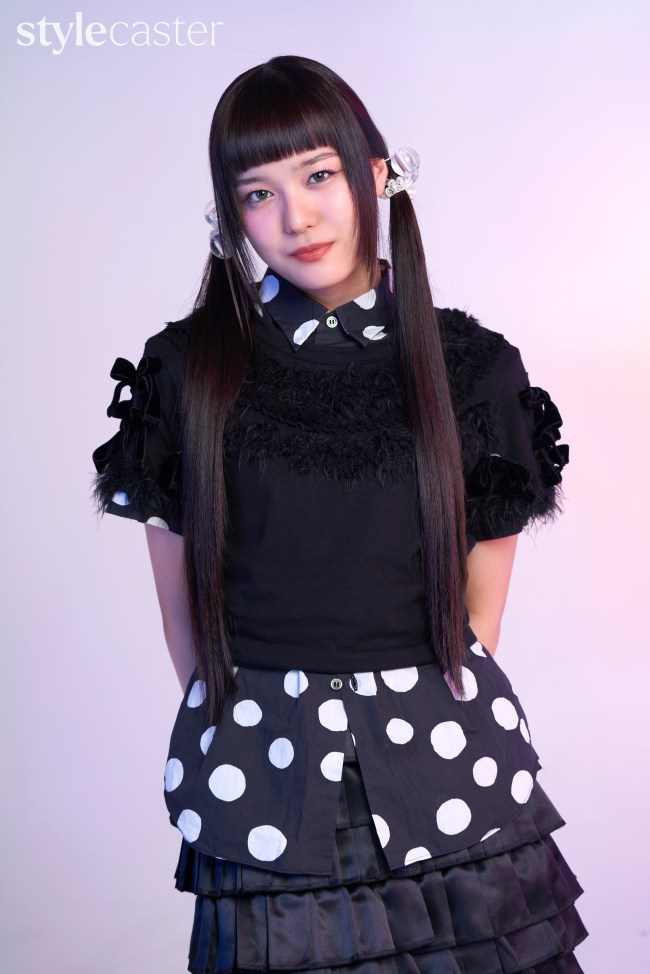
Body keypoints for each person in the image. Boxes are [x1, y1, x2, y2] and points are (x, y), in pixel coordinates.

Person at [91, 54, 587, 974]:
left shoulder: (472, 368)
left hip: (449, 768)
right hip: (263, 777)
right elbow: (184, 617)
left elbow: (480, 614)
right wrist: (262, 731)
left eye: (318, 175)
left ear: (375, 174)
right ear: (229, 213)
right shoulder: (186, 370)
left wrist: (413, 719)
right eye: (259, 193)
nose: (297, 217)